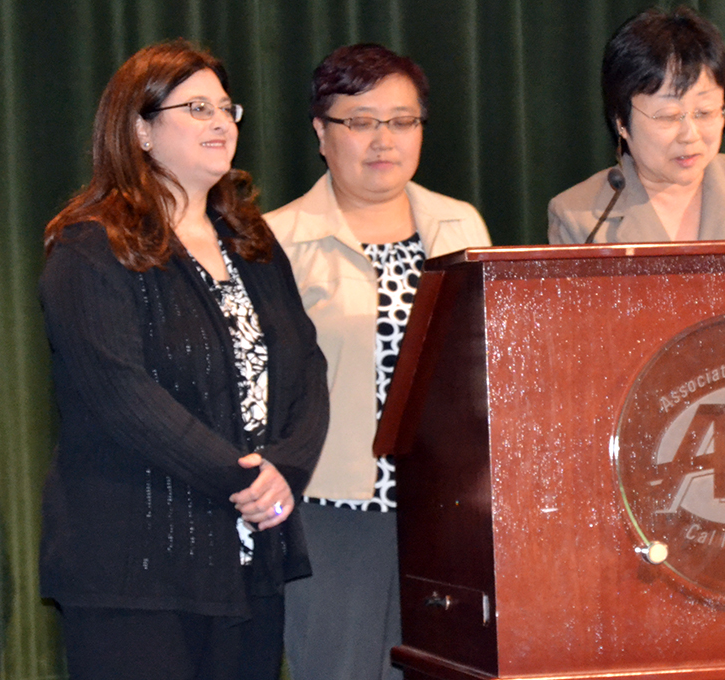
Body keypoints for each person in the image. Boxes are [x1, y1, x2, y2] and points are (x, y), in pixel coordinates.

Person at [38, 40, 329, 680]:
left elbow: (306, 367)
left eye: (228, 108)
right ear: (140, 129)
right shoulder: (90, 246)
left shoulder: (251, 241)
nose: (221, 123)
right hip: (135, 566)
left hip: (249, 554)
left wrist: (287, 466)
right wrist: (246, 479)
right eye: (197, 108)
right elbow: (121, 395)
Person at [265, 43, 491, 680]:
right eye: (360, 122)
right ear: (320, 131)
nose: (382, 139)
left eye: (401, 121)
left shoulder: (460, 226)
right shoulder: (277, 239)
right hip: (332, 508)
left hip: (449, 509)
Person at [548, 6, 725, 244]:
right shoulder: (578, 218)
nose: (690, 135)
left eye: (705, 112)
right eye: (668, 116)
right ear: (621, 121)